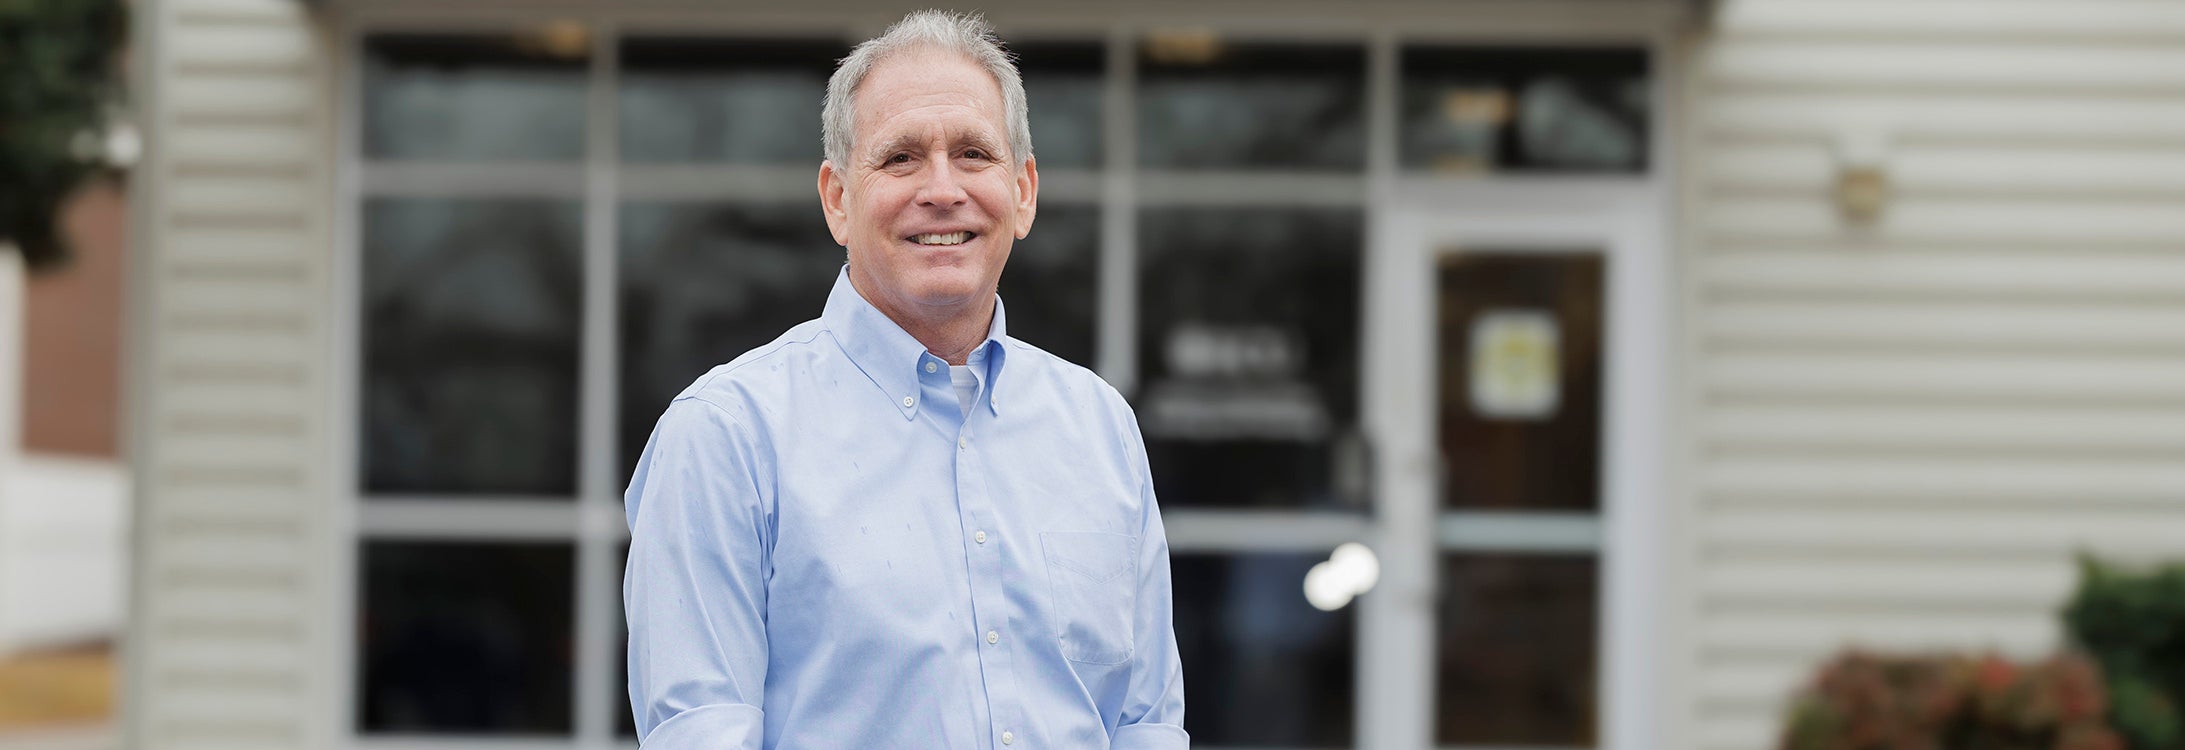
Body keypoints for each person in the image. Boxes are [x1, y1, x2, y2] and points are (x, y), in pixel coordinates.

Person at [622, 10, 1187, 749]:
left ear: (1022, 193)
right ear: (836, 199)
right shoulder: (726, 435)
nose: (942, 189)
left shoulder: (1098, 426)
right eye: (901, 159)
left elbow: (1145, 724)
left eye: (974, 153)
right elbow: (701, 733)